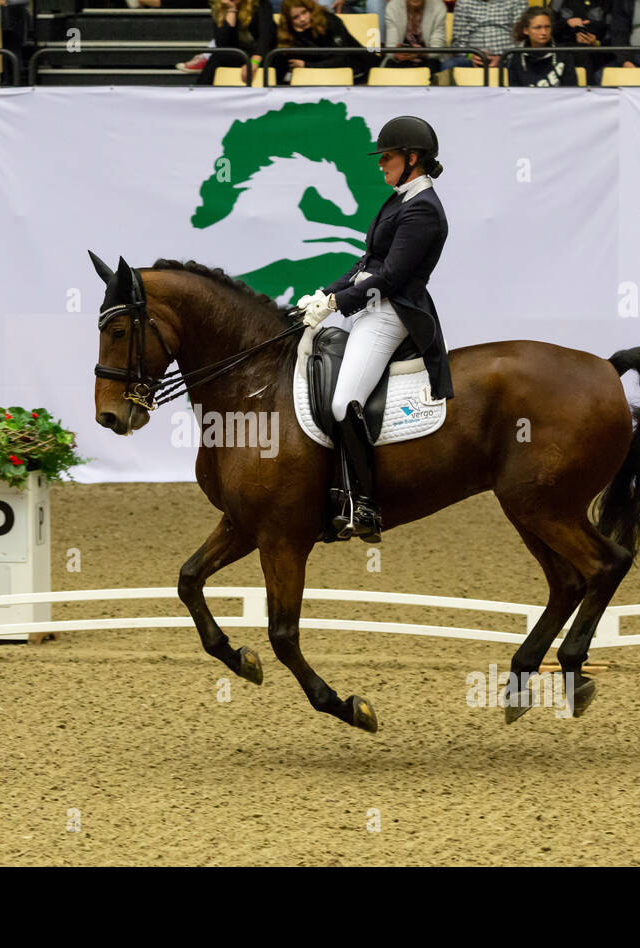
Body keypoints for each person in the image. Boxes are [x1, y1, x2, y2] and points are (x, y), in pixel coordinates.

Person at [297, 116, 450, 542]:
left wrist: (334, 304)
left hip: (394, 312)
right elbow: (367, 263)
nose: (381, 165)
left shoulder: (423, 209)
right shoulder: (400, 200)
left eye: (387, 157)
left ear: (412, 158)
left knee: (345, 403)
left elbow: (391, 277)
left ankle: (363, 504)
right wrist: (324, 292)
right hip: (372, 305)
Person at [273, 0, 376, 82]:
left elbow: (343, 58)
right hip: (321, 79)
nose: (303, 19)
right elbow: (281, 67)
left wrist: (307, 65)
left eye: (304, 12)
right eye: (296, 17)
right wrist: (300, 35)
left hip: (361, 72)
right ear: (289, 21)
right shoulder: (290, 34)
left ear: (310, 9)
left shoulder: (330, 20)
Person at [195, 0, 275, 85]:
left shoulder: (260, 3)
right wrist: (231, 10)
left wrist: (254, 62)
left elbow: (265, 38)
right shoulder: (220, 7)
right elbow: (222, 44)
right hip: (239, 55)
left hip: (263, 55)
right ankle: (198, 93)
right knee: (219, 56)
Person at [441, 0, 528, 73]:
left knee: (521, 63)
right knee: (449, 65)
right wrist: (471, 56)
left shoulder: (517, 1)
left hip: (508, 58)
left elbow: (520, 38)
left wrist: (502, 57)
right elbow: (458, 42)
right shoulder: (464, 2)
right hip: (471, 58)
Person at [505, 5, 577, 84]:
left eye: (547, 27)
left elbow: (571, 91)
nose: (544, 32)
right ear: (526, 30)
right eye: (538, 27)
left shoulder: (564, 54)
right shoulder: (516, 58)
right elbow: (514, 93)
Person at [549, 0, 609, 82]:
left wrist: (596, 42)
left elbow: (614, 34)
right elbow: (548, 30)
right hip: (563, 50)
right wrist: (566, 24)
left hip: (596, 53)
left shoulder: (607, 2)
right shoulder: (558, 2)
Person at [383, 0, 446, 75]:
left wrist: (421, 53)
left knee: (433, 67)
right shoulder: (393, 7)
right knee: (388, 70)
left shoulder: (438, 7)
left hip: (428, 58)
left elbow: (437, 49)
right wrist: (396, 54)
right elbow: (391, 49)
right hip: (401, 58)